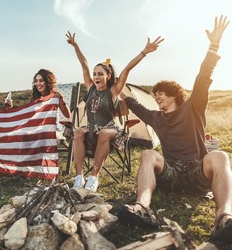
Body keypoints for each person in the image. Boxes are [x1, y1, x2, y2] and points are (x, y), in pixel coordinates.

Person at [119, 16, 232, 243]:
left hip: (196, 172)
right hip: (170, 172)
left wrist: (214, 46)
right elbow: (128, 99)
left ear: (174, 95)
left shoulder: (194, 108)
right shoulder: (155, 117)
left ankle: (224, 218)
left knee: (220, 155)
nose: (157, 96)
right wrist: (113, 83)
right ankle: (142, 207)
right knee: (149, 154)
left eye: (161, 93)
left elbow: (203, 76)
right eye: (155, 94)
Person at [66, 31, 163, 192]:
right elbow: (84, 64)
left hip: (110, 128)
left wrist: (144, 52)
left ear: (108, 75)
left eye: (100, 74)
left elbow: (127, 70)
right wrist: (75, 45)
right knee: (77, 132)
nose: (96, 77)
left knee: (104, 133)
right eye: (94, 74)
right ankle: (79, 177)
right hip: (91, 128)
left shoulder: (112, 91)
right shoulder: (91, 88)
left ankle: (94, 178)